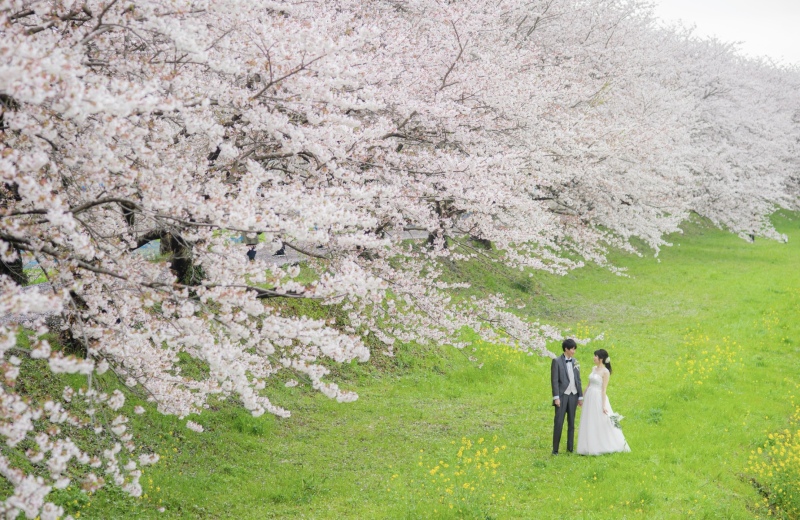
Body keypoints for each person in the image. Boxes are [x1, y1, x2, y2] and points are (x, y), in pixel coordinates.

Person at [576, 349, 631, 455]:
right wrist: (582, 397)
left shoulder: (605, 372)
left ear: (601, 358)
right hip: (589, 396)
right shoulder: (593, 368)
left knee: (601, 419)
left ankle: (605, 444)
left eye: (595, 356)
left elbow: (604, 389)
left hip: (598, 397)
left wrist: (603, 405)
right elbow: (588, 384)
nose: (594, 358)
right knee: (589, 419)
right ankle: (588, 445)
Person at [551, 338, 583, 455]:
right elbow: (554, 381)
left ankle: (570, 448)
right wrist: (556, 397)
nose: (574, 351)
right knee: (559, 422)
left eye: (574, 349)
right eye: (572, 349)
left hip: (573, 396)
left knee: (572, 423)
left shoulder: (575, 361)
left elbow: (578, 380)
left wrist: (580, 397)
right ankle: (555, 450)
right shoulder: (556, 361)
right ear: (566, 349)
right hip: (562, 395)